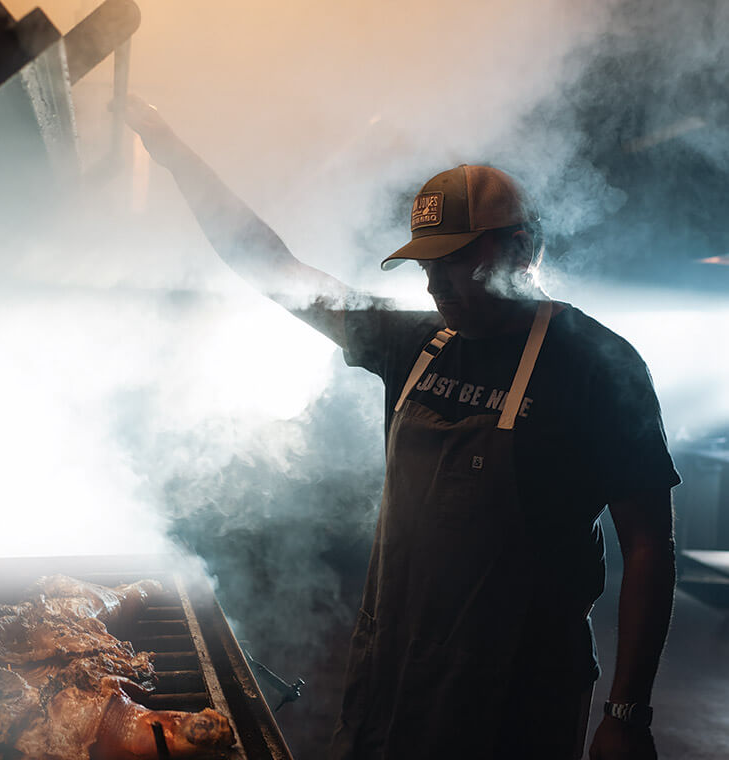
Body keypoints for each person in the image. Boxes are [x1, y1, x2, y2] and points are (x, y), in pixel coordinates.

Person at [123, 96, 679, 760]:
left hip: (516, 693)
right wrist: (169, 149)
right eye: (425, 265)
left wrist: (626, 714)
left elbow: (649, 545)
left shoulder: (596, 364)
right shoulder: (418, 341)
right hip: (391, 674)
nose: (435, 284)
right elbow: (272, 267)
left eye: (454, 261)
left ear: (521, 247)